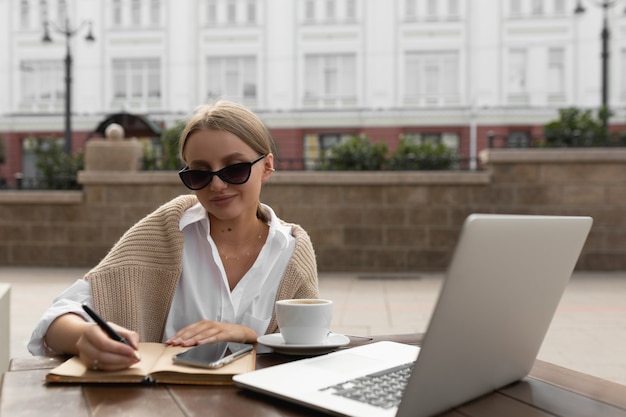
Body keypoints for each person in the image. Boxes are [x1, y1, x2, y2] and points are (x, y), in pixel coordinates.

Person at [28, 100, 319, 371]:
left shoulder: (291, 250)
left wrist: (250, 336)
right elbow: (55, 321)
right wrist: (84, 337)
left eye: (235, 168)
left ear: (266, 167)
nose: (216, 184)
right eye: (200, 173)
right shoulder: (166, 232)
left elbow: (312, 348)